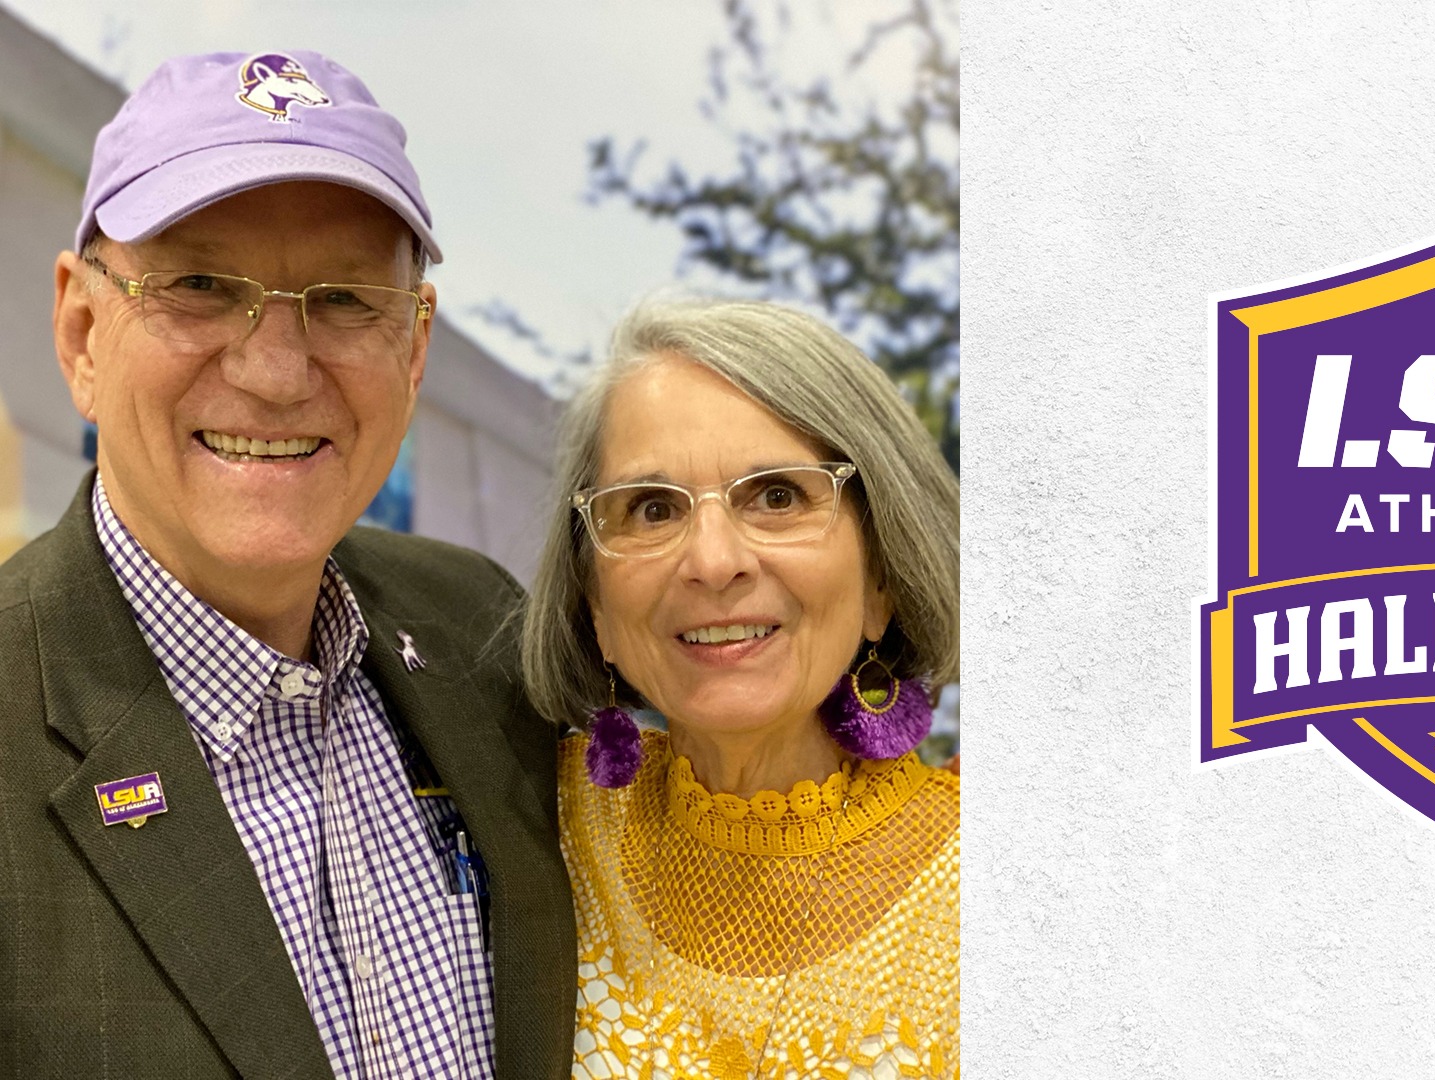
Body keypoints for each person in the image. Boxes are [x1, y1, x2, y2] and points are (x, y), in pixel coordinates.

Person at [0, 51, 573, 1077]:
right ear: (83, 332)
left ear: (415, 349)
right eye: (201, 286)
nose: (274, 371)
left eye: (347, 300)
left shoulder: (483, 634)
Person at [522, 298, 960, 1079]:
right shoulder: (531, 835)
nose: (714, 560)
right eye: (651, 509)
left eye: (778, 496)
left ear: (881, 577)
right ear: (596, 607)